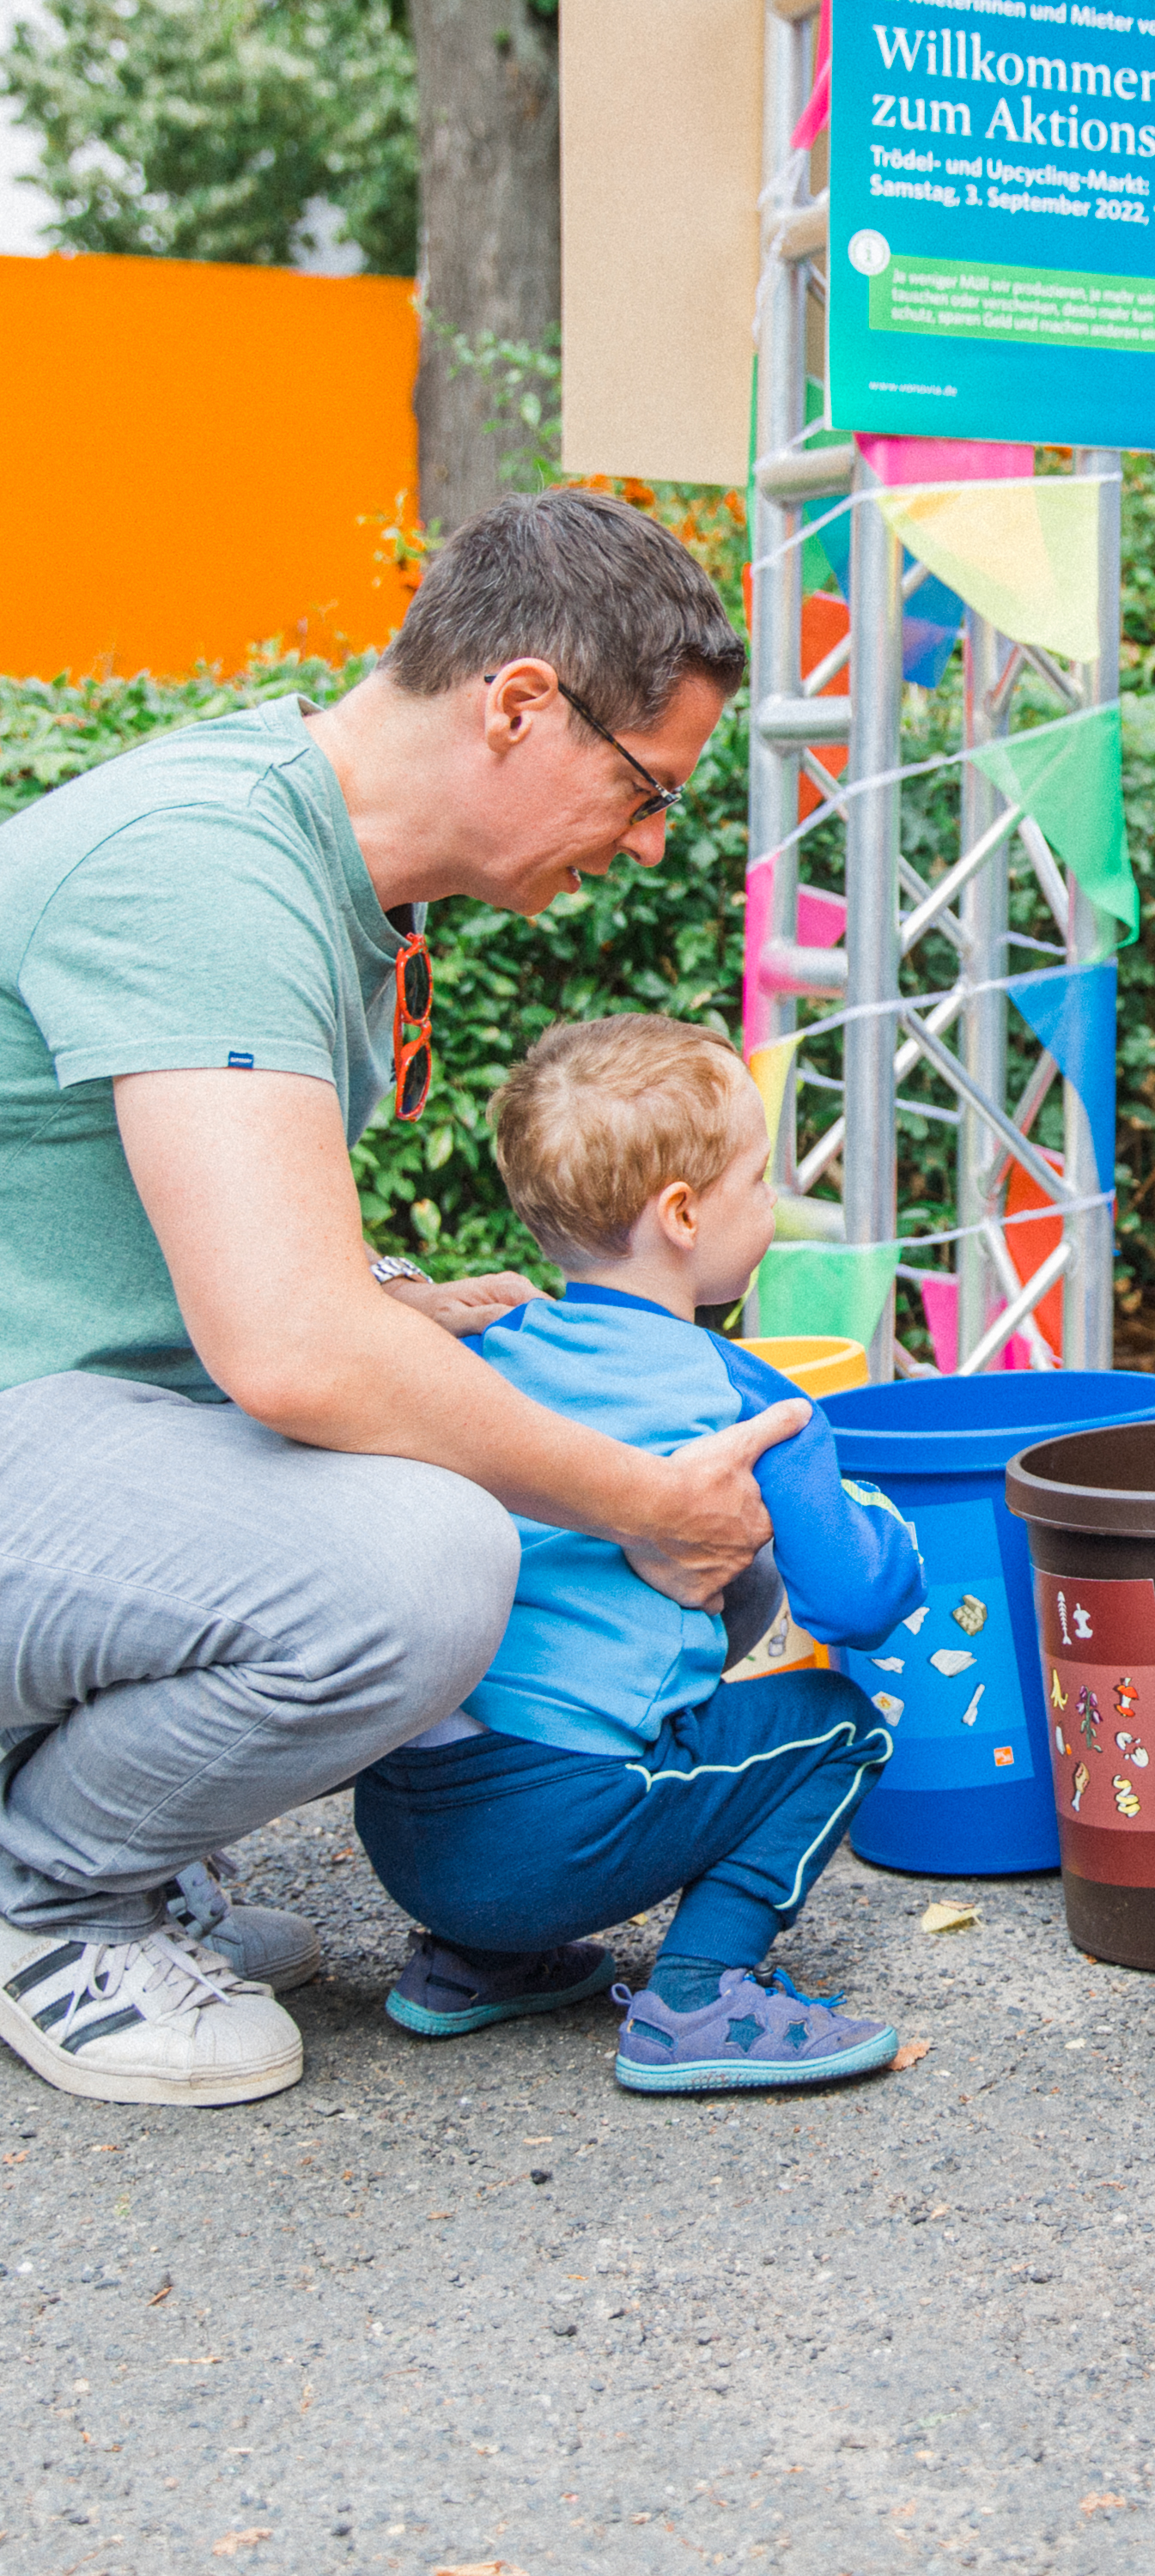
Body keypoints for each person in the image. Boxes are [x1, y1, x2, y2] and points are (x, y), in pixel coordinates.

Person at [0, 489, 812, 2109]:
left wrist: (389, 1299)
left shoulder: (320, 869)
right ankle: (51, 1899)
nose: (651, 843)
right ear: (519, 704)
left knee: (478, 1446)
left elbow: (184, 1239)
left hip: (59, 1427)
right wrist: (643, 1496)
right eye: (647, 788)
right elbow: (293, 1352)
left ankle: (107, 1847)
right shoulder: (208, 874)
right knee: (427, 1559)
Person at [354, 1014, 925, 2095]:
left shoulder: (476, 1356)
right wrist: (884, 1524)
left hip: (404, 1832)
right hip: (551, 1837)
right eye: (756, 1181)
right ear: (682, 1215)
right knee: (836, 1726)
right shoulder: (749, 1399)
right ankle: (700, 1997)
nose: (770, 1205)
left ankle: (474, 1963)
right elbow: (855, 1601)